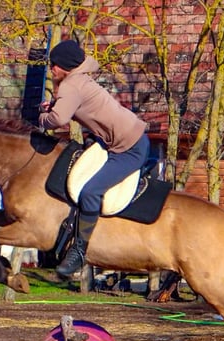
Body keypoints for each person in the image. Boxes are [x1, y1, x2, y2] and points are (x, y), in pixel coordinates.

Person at [39, 39, 150, 277]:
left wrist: (42, 119)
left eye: (53, 65)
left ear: (64, 66)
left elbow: (58, 120)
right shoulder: (79, 80)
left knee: (90, 191)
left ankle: (79, 252)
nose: (51, 69)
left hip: (129, 149)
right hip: (119, 140)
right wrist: (54, 107)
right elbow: (70, 107)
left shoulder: (70, 85)